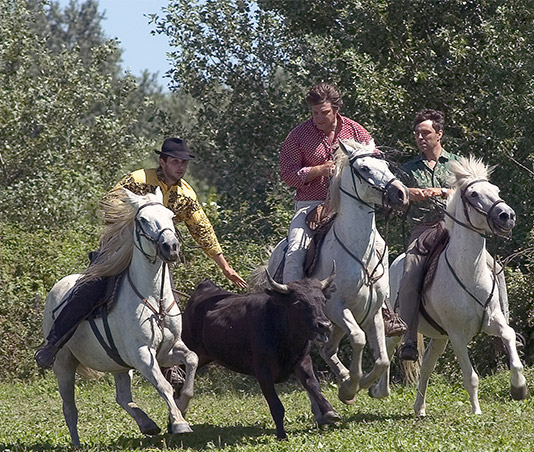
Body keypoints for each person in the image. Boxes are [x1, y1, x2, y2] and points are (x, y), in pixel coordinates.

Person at [35, 137, 247, 369]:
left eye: (184, 163)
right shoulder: (138, 180)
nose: (181, 167)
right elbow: (108, 203)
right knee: (92, 287)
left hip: (156, 257)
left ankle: (170, 366)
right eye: (175, 161)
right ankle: (53, 344)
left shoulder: (186, 194)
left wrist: (225, 266)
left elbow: (202, 229)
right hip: (118, 247)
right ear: (163, 162)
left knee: (169, 303)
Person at [279, 82, 373, 284]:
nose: (319, 118)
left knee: (378, 246)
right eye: (314, 113)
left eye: (324, 112)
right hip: (310, 206)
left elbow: (374, 159)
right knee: (295, 251)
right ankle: (290, 301)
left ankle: (384, 305)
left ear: (336, 109)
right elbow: (288, 174)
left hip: (351, 205)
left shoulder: (356, 131)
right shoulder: (297, 136)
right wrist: (317, 170)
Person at [397, 109, 462, 361]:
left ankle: (504, 329)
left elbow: (472, 192)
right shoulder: (408, 169)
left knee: (491, 266)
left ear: (439, 134)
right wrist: (410, 195)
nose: (421, 137)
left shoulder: (458, 163)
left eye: (426, 133)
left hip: (456, 226)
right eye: (417, 134)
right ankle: (409, 340)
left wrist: (442, 192)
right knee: (410, 273)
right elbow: (395, 200)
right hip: (423, 229)